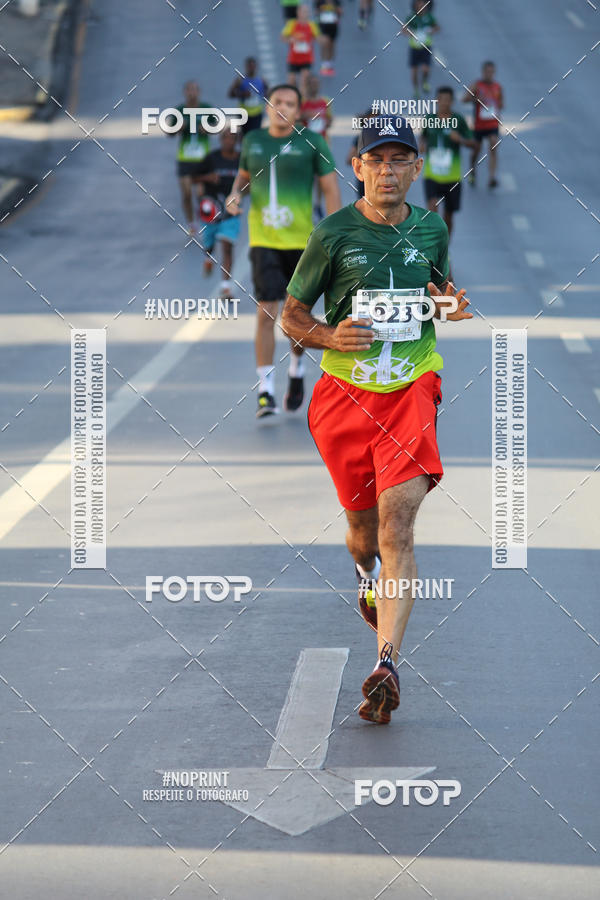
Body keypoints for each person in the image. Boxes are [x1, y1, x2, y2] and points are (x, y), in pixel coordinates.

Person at [281, 117, 472, 724]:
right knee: (364, 535)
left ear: (417, 169)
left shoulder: (431, 227)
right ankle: (364, 575)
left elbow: (438, 290)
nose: (388, 171)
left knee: (397, 527)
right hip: (346, 397)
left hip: (412, 389)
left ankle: (386, 661)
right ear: (356, 167)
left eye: (400, 161)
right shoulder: (332, 234)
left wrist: (449, 304)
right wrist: (325, 333)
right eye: (376, 160)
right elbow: (289, 314)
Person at [226, 84, 341, 418]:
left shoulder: (312, 143)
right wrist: (236, 195)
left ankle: (296, 367)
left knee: (295, 319)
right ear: (267, 105)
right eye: (277, 102)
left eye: (290, 104)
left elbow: (330, 189)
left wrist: (335, 237)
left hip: (303, 245)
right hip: (265, 241)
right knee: (266, 312)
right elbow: (243, 178)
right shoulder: (254, 142)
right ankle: (265, 390)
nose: (282, 108)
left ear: (298, 111)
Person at [420, 86, 476, 238]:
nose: (444, 103)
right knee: (432, 209)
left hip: (452, 177)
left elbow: (474, 144)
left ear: (452, 101)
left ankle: (445, 247)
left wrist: (461, 140)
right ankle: (433, 242)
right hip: (432, 174)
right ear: (436, 101)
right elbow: (423, 135)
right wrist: (422, 144)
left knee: (449, 216)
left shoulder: (458, 120)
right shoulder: (430, 119)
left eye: (447, 100)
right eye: (441, 100)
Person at [195, 129, 241, 298]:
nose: (229, 141)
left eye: (233, 138)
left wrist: (241, 194)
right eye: (226, 138)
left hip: (231, 211)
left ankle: (226, 286)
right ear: (221, 140)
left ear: (237, 141)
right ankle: (208, 257)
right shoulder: (211, 158)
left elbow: (250, 181)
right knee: (210, 243)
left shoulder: (241, 160)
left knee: (227, 246)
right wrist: (207, 178)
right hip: (211, 210)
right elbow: (193, 177)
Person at [168, 80, 214, 235]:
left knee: (201, 193)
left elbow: (217, 127)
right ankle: (192, 223)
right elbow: (169, 133)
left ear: (199, 92)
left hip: (203, 158)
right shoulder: (179, 111)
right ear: (185, 92)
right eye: (189, 90)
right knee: (187, 193)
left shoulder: (207, 109)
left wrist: (206, 128)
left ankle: (204, 219)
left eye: (194, 90)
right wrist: (177, 128)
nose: (192, 93)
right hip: (185, 158)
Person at [462, 61, 504, 188]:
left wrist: (496, 109)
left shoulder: (497, 87)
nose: (489, 74)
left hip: (492, 124)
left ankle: (492, 177)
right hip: (479, 125)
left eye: (491, 72)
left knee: (493, 145)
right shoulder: (477, 85)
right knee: (476, 150)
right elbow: (464, 99)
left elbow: (501, 104)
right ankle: (472, 170)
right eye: (487, 72)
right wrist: (477, 99)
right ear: (483, 72)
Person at [300, 73, 333, 219]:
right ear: (308, 86)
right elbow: (296, 120)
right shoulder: (302, 102)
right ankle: (306, 203)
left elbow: (330, 119)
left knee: (321, 176)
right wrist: (306, 115)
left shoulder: (325, 101)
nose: (314, 86)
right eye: (312, 83)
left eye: (316, 83)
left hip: (322, 143)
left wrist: (325, 121)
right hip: (307, 144)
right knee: (307, 175)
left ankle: (318, 204)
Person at [281, 4, 321, 96]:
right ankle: (292, 100)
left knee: (304, 82)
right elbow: (283, 37)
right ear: (298, 13)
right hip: (293, 58)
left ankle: (302, 103)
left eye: (306, 12)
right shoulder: (292, 24)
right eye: (303, 12)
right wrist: (291, 39)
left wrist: (316, 38)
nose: (305, 14)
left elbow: (318, 38)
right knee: (291, 82)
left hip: (306, 58)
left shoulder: (312, 25)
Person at [402, 0, 439, 97]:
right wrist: (410, 33)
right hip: (414, 47)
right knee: (414, 71)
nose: (421, 6)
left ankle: (425, 81)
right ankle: (416, 90)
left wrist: (431, 31)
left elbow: (437, 27)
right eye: (419, 4)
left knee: (425, 69)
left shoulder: (429, 17)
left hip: (426, 46)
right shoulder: (411, 17)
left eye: (423, 4)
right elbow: (404, 29)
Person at [228, 57, 268, 135]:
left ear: (256, 67)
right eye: (250, 66)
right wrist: (242, 94)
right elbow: (230, 94)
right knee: (242, 135)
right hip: (243, 113)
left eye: (253, 66)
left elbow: (268, 94)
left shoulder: (261, 80)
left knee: (254, 135)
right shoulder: (240, 80)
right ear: (246, 67)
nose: (251, 69)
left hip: (257, 113)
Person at [314, 0, 342, 75]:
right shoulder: (319, 2)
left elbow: (340, 12)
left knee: (331, 45)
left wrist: (335, 9)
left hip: (333, 26)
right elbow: (316, 13)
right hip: (323, 25)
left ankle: (330, 63)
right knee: (325, 43)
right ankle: (324, 64)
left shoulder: (336, 1)